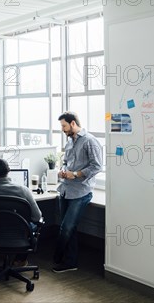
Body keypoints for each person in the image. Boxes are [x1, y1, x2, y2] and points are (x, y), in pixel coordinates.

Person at [52, 111, 102, 273]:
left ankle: (58, 257)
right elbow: (66, 161)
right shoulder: (70, 141)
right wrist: (63, 170)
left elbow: (97, 166)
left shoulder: (90, 141)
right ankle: (70, 261)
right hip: (66, 189)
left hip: (81, 192)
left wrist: (75, 174)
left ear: (73, 123)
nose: (62, 129)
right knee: (69, 228)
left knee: (66, 228)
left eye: (64, 126)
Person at [0, 158, 42, 267]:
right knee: (34, 224)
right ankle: (19, 260)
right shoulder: (23, 190)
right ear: (9, 170)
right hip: (19, 238)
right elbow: (37, 217)